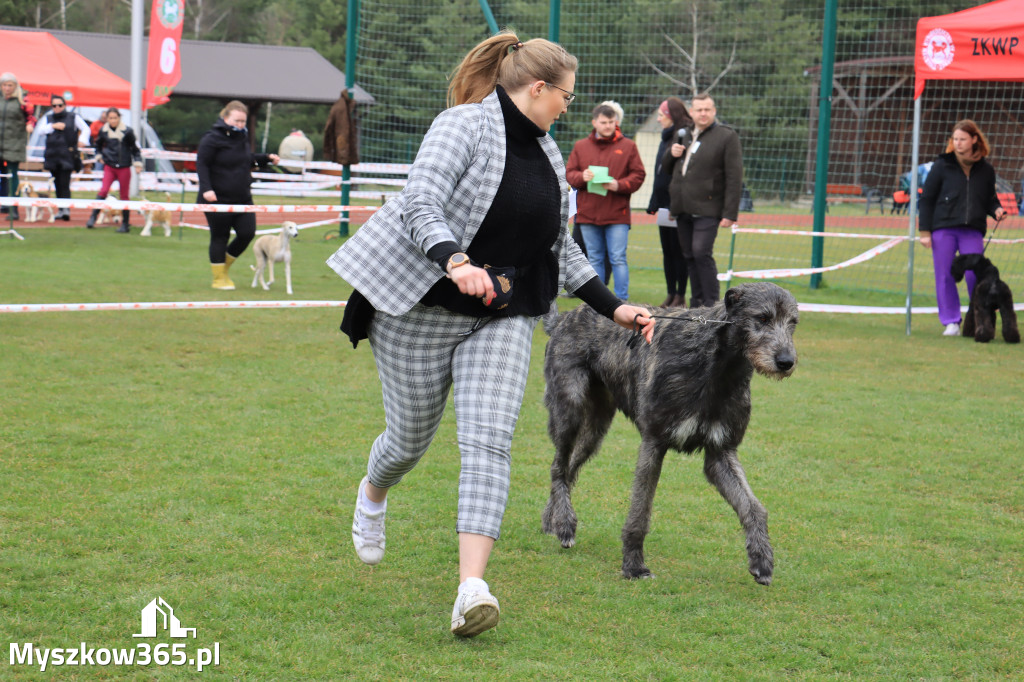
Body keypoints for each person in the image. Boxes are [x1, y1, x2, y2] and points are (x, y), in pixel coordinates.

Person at [326, 30, 655, 639]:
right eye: (566, 96)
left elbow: (561, 250)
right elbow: (419, 203)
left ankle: (470, 588)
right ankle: (374, 490)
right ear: (538, 88)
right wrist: (456, 261)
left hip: (503, 316)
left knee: (489, 440)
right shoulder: (461, 127)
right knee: (409, 439)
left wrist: (618, 310)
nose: (569, 107)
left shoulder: (550, 154)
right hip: (419, 308)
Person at [918, 119, 1006, 336]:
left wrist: (996, 210)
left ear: (974, 139)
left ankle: (979, 319)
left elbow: (989, 199)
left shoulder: (986, 170)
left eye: (962, 139)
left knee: (975, 276)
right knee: (946, 274)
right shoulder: (942, 166)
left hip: (972, 230)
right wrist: (925, 232)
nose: (957, 143)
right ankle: (951, 322)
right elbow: (927, 199)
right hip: (943, 229)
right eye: (955, 139)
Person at [663, 93, 743, 307]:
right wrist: (672, 153)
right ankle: (696, 302)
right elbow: (666, 168)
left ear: (714, 111)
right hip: (682, 207)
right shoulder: (683, 134)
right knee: (688, 255)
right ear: (692, 112)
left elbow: (734, 177)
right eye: (699, 110)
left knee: (701, 253)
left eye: (707, 109)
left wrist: (729, 213)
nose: (703, 113)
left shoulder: (726, 136)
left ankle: (712, 304)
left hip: (708, 207)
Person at [196, 101, 279, 290]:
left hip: (242, 198)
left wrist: (265, 158)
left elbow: (245, 160)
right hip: (217, 198)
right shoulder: (211, 138)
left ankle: (222, 268)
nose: (241, 124)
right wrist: (206, 189)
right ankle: (219, 279)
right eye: (237, 120)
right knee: (220, 237)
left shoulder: (242, 137)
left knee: (247, 233)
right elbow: (202, 164)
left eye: (243, 121)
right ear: (226, 118)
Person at [566, 103, 646, 300]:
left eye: (611, 122)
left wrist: (619, 185)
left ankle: (621, 300)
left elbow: (638, 175)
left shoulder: (628, 146)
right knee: (594, 258)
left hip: (617, 213)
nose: (608, 126)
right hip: (588, 213)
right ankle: (598, 302)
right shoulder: (580, 147)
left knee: (618, 258)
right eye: (604, 122)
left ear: (616, 122)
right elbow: (569, 174)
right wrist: (582, 176)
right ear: (594, 123)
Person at [646, 97, 692, 307]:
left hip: (678, 205)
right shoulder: (666, 137)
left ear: (672, 116)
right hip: (664, 205)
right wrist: (654, 201)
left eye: (661, 115)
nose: (658, 119)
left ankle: (681, 295)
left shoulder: (684, 136)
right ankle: (671, 293)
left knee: (679, 251)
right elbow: (660, 173)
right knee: (667, 250)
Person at [86, 108, 142, 232]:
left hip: (124, 167)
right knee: (103, 191)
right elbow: (98, 145)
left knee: (124, 196)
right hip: (110, 166)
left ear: (119, 118)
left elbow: (135, 149)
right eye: (110, 118)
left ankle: (125, 224)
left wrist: (138, 163)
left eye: (115, 118)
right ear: (107, 119)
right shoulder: (104, 131)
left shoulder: (128, 132)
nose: (113, 121)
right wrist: (99, 156)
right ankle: (92, 217)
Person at [36, 95, 90, 222]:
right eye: (54, 105)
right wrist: (53, 126)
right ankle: (61, 209)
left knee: (64, 182)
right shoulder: (48, 118)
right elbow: (40, 131)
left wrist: (82, 140)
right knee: (57, 183)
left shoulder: (73, 117)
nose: (57, 108)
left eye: (60, 105)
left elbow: (85, 128)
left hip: (67, 155)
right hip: (52, 155)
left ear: (64, 105)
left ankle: (66, 209)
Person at [1, 73, 36, 222]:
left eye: (10, 85)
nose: (7, 88)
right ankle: (3, 203)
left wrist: (30, 124)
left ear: (15, 86)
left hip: (14, 143)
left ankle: (13, 208)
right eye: (4, 85)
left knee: (11, 175)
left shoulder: (23, 101)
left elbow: (31, 117)